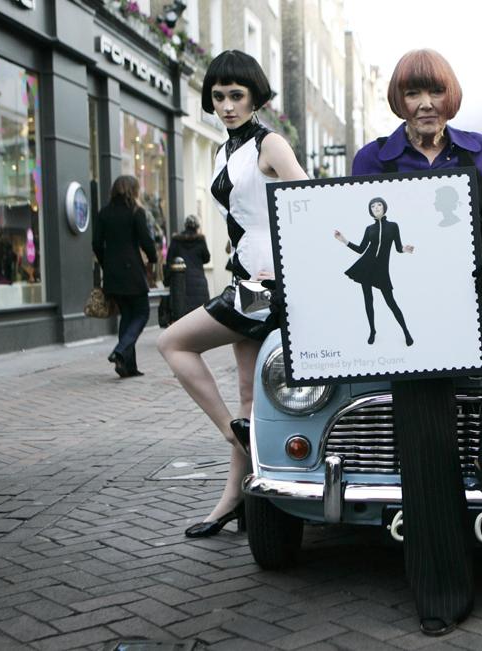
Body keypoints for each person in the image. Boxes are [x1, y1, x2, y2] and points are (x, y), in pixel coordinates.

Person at [351, 49, 482, 637]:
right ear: (399, 101)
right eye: (413, 94)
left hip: (477, 291)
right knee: (425, 438)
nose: (424, 104)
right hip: (410, 310)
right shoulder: (373, 159)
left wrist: (481, 262)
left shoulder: (478, 151)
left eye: (434, 93)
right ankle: (440, 595)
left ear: (449, 98)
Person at [156, 50, 308, 538]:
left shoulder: (271, 143)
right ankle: (233, 499)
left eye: (236, 96)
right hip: (246, 279)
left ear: (255, 97)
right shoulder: (225, 151)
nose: (226, 105)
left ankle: (233, 433)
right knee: (248, 395)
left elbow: (311, 203)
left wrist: (283, 261)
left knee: (173, 342)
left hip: (268, 285)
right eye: (218, 96)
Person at [93, 175, 158, 378]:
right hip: (132, 272)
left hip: (112, 274)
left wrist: (106, 264)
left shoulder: (104, 213)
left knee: (127, 316)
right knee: (142, 313)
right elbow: (146, 240)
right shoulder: (135, 212)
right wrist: (153, 258)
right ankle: (120, 351)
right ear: (133, 190)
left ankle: (127, 366)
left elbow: (96, 244)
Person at [334, 197, 415, 346]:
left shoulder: (393, 226)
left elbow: (398, 247)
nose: (376, 208)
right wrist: (344, 240)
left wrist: (405, 249)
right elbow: (361, 249)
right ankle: (372, 330)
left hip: (382, 270)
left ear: (384, 207)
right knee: (368, 300)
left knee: (391, 302)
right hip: (366, 266)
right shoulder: (369, 229)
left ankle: (406, 332)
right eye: (373, 206)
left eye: (379, 205)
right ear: (370, 210)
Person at [165, 215, 211, 316]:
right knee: (199, 315)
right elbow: (207, 258)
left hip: (181, 282)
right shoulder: (200, 240)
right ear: (197, 227)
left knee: (182, 315)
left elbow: (169, 261)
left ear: (185, 226)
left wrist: (167, 281)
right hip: (199, 282)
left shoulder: (176, 240)